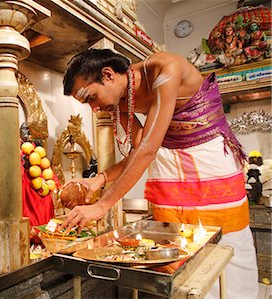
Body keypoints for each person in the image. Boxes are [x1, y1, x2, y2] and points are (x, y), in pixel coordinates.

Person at [60, 49, 258, 299]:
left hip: (209, 160)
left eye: (91, 98)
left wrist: (101, 206)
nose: (94, 108)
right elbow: (136, 152)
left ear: (108, 75)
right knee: (179, 246)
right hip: (170, 165)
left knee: (226, 245)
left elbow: (147, 149)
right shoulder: (120, 102)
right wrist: (97, 180)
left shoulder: (165, 68)